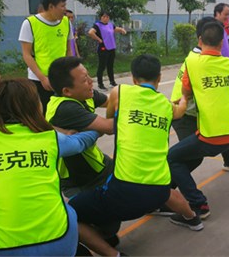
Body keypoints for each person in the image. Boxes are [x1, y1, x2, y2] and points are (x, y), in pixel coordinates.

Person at [0, 78, 119, 256]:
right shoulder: (49, 138)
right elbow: (80, 142)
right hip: (60, 238)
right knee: (70, 210)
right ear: (34, 105)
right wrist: (96, 128)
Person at [69, 54, 204, 238]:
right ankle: (193, 219)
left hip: (123, 192)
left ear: (133, 78)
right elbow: (180, 111)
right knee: (169, 192)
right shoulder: (166, 105)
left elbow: (110, 120)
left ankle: (107, 244)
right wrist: (184, 96)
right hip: (160, 190)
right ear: (159, 78)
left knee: (71, 210)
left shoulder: (120, 92)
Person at [168, 21, 229, 219]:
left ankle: (198, 204)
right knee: (227, 143)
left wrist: (184, 99)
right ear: (223, 43)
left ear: (200, 40)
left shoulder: (192, 62)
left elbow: (186, 91)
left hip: (212, 134)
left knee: (172, 158)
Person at [46, 57, 114, 197]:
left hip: (98, 164)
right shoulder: (65, 108)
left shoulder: (84, 93)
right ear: (66, 91)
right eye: (84, 80)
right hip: (79, 180)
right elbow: (110, 127)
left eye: (88, 75)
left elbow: (111, 101)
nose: (91, 81)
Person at [19, 0, 73, 114]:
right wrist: (42, 78)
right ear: (51, 6)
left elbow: (68, 50)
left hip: (61, 77)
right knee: (42, 114)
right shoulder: (30, 23)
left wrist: (70, 72)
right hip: (39, 80)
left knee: (62, 113)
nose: (65, 9)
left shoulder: (66, 22)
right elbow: (27, 55)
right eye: (62, 6)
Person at [88, 11, 127, 90]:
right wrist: (99, 40)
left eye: (107, 17)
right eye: (104, 17)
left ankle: (112, 82)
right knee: (102, 66)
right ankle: (100, 83)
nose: (106, 18)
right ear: (101, 17)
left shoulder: (110, 25)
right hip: (103, 48)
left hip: (111, 47)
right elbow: (90, 32)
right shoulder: (97, 25)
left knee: (110, 66)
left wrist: (122, 30)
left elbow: (115, 29)